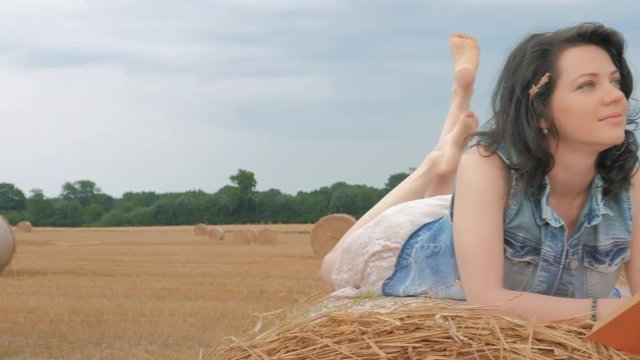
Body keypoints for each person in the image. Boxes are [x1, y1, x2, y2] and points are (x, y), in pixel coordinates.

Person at [320, 23, 640, 323]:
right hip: (413, 249)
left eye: (614, 81)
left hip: (471, 212)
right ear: (540, 112)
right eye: (587, 85)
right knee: (331, 265)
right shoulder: (489, 165)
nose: (615, 95)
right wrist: (606, 311)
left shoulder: (631, 179)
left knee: (449, 204)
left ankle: (445, 166)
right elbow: (486, 300)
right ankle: (435, 163)